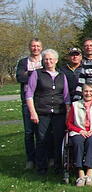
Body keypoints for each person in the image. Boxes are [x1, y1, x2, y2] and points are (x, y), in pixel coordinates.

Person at [25, 48, 70, 174]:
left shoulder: (62, 75)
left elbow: (66, 96)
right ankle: (41, 167)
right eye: (46, 59)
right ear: (43, 61)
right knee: (41, 139)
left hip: (59, 113)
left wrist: (67, 113)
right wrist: (33, 112)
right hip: (42, 112)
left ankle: (58, 166)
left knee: (58, 139)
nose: (48, 61)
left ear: (56, 60)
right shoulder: (36, 74)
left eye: (51, 59)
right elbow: (29, 94)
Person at [66, 84, 92, 186]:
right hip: (79, 131)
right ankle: (80, 172)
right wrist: (80, 130)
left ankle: (89, 172)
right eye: (86, 91)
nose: (88, 93)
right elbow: (69, 123)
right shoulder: (75, 105)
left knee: (91, 141)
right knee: (78, 142)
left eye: (91, 91)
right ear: (82, 92)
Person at [16, 38, 43, 169]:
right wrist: (37, 73)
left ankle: (42, 158)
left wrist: (30, 74)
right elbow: (20, 77)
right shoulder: (23, 62)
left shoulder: (45, 60)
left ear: (41, 48)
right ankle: (30, 159)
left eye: (38, 46)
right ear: (29, 47)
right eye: (33, 46)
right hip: (27, 100)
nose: (35, 48)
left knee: (42, 132)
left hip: (42, 100)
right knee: (28, 132)